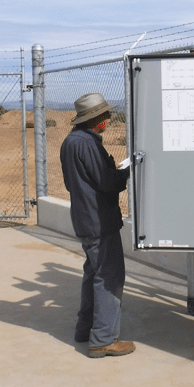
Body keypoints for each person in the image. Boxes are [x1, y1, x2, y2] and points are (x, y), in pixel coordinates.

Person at [60, 92, 134, 358]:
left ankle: (85, 329)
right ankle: (103, 339)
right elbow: (106, 182)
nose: (109, 118)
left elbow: (73, 183)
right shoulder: (88, 144)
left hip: (84, 218)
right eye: (105, 115)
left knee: (93, 273)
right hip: (99, 221)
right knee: (109, 277)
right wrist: (126, 172)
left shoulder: (70, 142)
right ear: (96, 119)